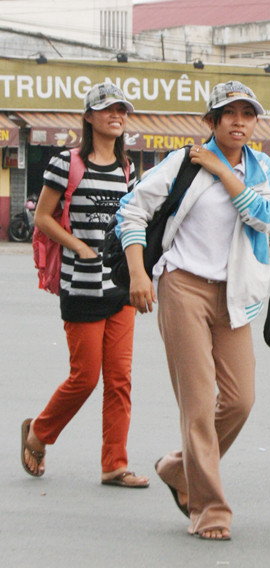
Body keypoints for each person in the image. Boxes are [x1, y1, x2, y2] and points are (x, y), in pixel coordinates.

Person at [117, 81, 270, 541]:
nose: (238, 121)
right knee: (197, 404)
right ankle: (210, 509)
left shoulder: (262, 168)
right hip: (182, 287)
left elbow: (268, 217)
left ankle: (179, 468)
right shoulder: (181, 163)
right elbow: (131, 213)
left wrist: (222, 170)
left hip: (234, 294)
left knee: (239, 400)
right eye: (227, 113)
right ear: (210, 122)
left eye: (247, 114)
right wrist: (138, 275)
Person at [21, 83, 149, 489]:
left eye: (122, 110)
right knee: (85, 377)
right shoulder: (66, 162)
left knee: (120, 379)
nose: (117, 115)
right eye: (108, 109)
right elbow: (43, 217)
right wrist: (78, 245)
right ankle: (39, 433)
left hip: (119, 287)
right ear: (90, 117)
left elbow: (133, 223)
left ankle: (114, 463)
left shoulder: (129, 170)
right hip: (80, 285)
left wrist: (139, 273)